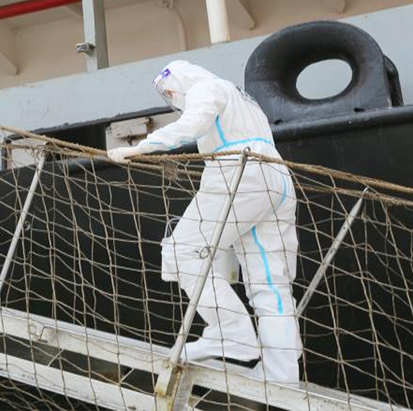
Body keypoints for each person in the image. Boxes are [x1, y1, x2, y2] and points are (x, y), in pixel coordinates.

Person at [107, 60, 301, 383]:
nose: (171, 98)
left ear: (182, 79)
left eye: (170, 90)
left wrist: (140, 148)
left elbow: (192, 124)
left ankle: (230, 331)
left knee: (181, 251)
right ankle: (282, 372)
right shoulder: (243, 99)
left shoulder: (206, 88)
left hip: (238, 173)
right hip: (276, 177)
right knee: (271, 284)